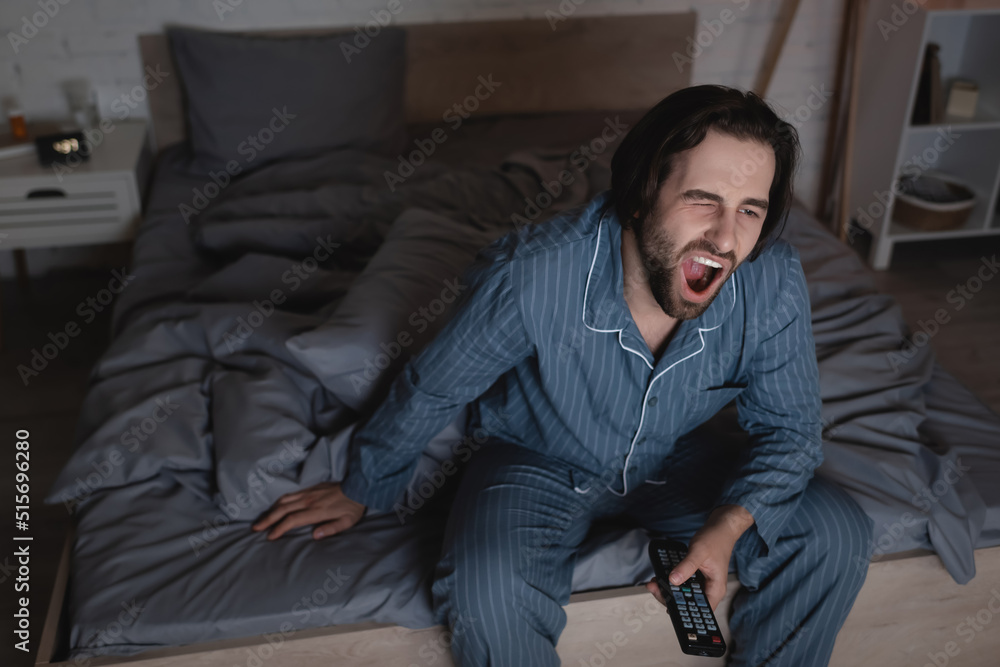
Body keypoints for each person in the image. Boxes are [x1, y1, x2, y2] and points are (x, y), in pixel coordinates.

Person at [252, 84, 875, 666]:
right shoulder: (535, 273)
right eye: (702, 199)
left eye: (749, 210)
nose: (723, 236)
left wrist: (728, 524)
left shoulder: (770, 278)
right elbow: (437, 383)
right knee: (487, 591)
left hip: (677, 453)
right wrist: (365, 485)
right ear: (639, 193)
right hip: (535, 456)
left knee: (835, 532)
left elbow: (792, 431)